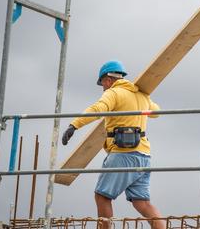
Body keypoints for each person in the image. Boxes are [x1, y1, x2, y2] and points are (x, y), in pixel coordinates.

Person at [62, 60, 165, 229]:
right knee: (143, 203)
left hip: (123, 154)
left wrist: (75, 125)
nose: (102, 87)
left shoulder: (114, 92)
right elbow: (156, 112)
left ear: (108, 79)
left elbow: (98, 109)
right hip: (144, 156)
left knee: (102, 196)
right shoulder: (140, 95)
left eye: (102, 83)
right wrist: (141, 101)